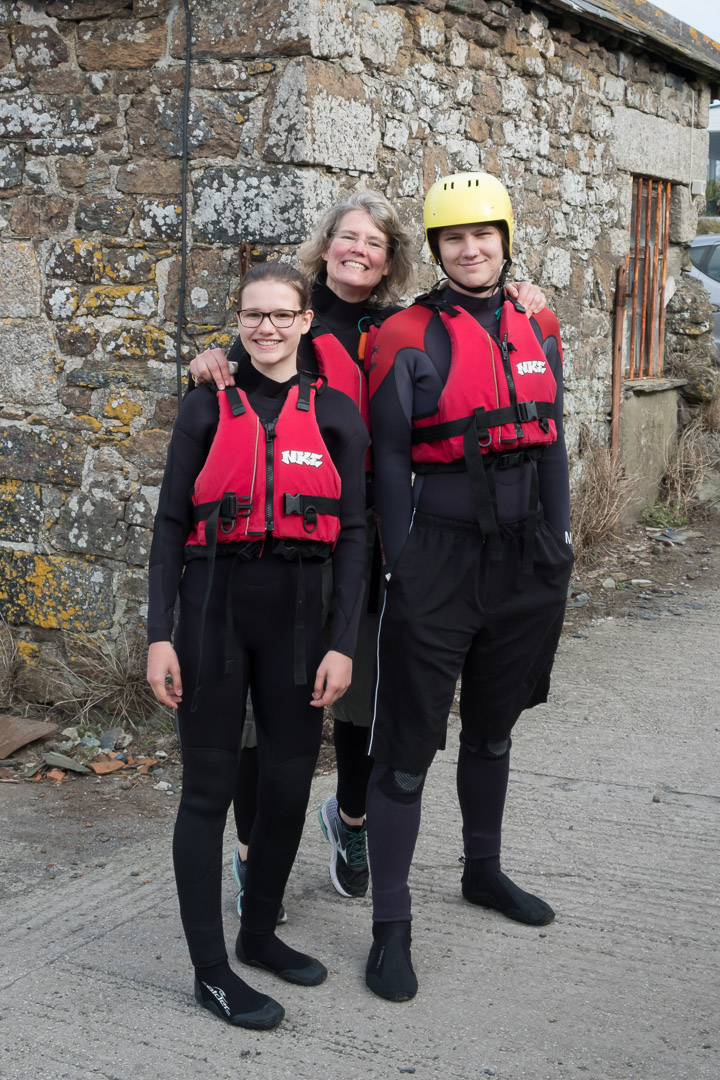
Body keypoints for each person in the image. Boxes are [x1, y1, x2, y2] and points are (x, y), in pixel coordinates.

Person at [188, 191, 549, 910]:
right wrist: (206, 361)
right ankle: (252, 853)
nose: (360, 249)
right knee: (267, 713)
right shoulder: (281, 321)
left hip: (364, 539)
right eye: (347, 237)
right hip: (276, 545)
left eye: (375, 242)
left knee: (361, 704)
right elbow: (230, 393)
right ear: (326, 247)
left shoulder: (399, 327)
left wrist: (524, 291)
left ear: (391, 258)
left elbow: (472, 324)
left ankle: (349, 821)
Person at [364, 171, 574, 1002]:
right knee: (407, 751)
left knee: (493, 729)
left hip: (527, 561)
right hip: (439, 558)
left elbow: (553, 434)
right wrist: (402, 558)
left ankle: (482, 871)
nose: (472, 247)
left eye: (485, 233)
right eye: (455, 237)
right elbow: (384, 454)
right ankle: (390, 926)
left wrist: (559, 543)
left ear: (505, 239)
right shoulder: (404, 333)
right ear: (438, 248)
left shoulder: (539, 321)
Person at [146, 263, 369, 1029]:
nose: (266, 327)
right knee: (208, 796)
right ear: (237, 321)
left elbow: (359, 537)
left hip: (303, 623)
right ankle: (210, 973)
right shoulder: (204, 409)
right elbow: (170, 525)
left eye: (281, 315)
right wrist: (158, 636)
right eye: (252, 315)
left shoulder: (337, 414)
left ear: (307, 321)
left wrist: (343, 644)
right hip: (212, 616)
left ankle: (258, 931)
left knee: (286, 787)